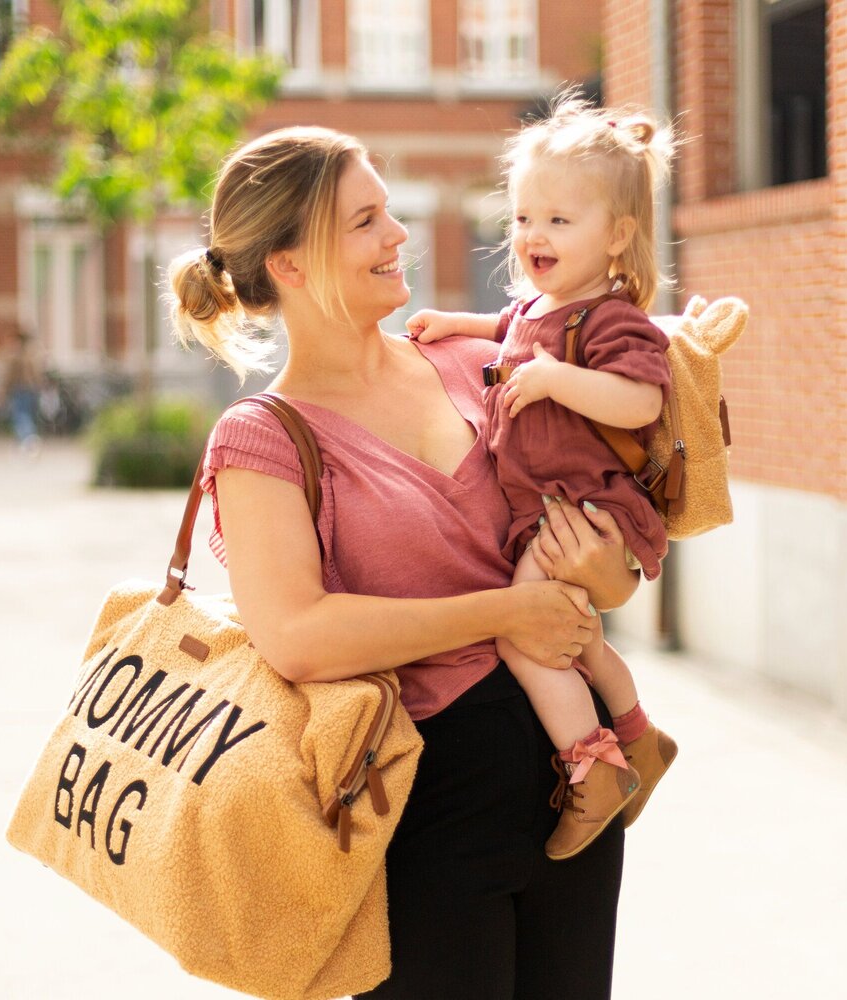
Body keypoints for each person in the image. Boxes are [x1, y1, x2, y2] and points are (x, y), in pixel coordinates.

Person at [168, 125, 640, 999]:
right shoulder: (263, 439)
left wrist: (607, 575)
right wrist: (503, 613)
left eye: (388, 213)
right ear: (290, 264)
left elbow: (606, 543)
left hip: (576, 790)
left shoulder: (482, 365)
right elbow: (298, 637)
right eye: (365, 221)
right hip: (418, 812)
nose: (398, 237)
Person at [406, 94, 679, 860]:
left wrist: (557, 381)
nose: (534, 235)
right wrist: (457, 325)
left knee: (524, 633)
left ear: (618, 235)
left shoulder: (613, 319)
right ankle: (638, 736)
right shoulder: (542, 309)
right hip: (554, 512)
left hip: (590, 511)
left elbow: (641, 400)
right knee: (574, 636)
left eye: (560, 220)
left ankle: (594, 770)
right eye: (524, 217)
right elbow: (509, 328)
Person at [0, 330, 43, 454]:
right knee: (27, 414)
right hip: (30, 390)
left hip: (19, 390)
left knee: (20, 416)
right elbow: (36, 374)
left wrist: (3, 390)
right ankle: (27, 438)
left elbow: (9, 376)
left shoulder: (15, 357)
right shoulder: (31, 356)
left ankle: (28, 438)